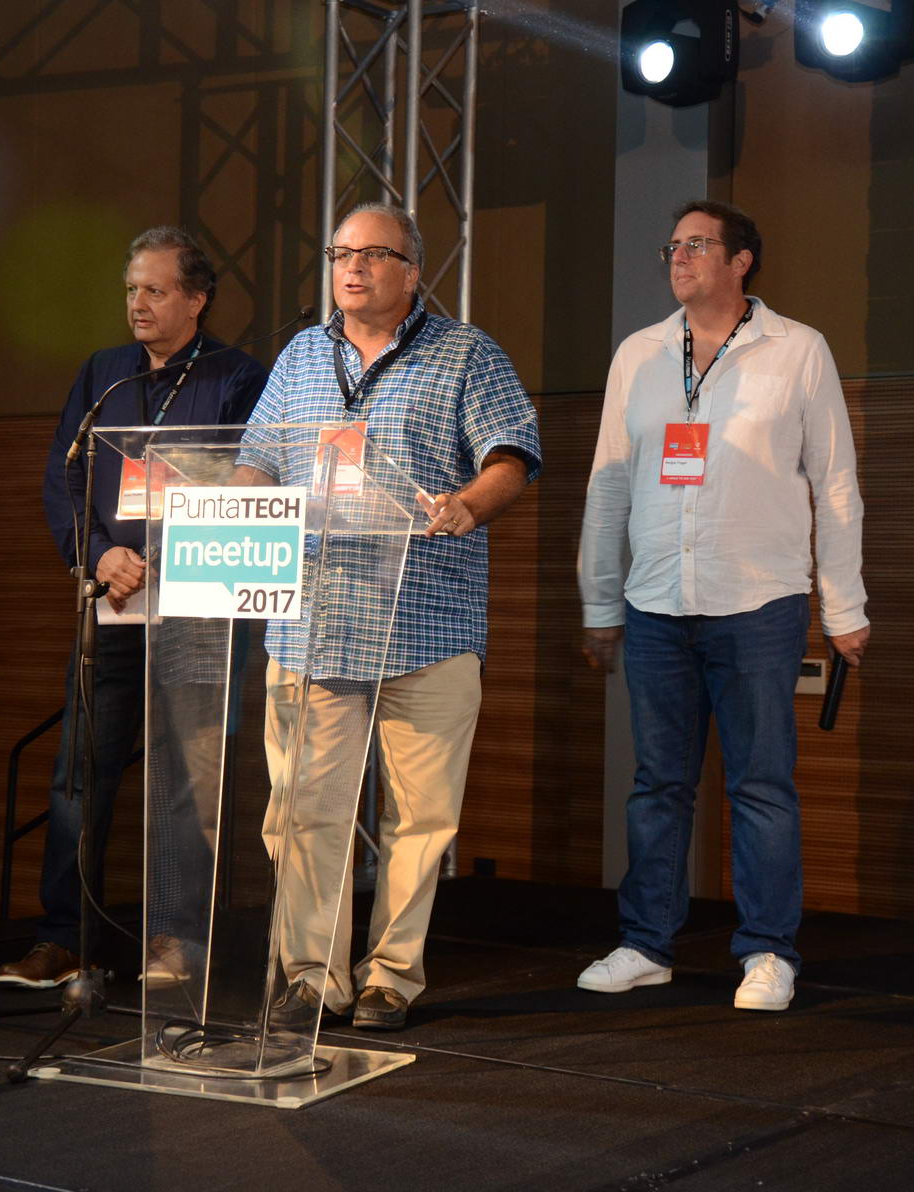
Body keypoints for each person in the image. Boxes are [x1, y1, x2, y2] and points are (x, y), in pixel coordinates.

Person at [233, 202, 540, 1030]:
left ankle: (389, 979)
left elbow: (512, 452)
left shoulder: (466, 352)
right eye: (340, 253)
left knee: (421, 818)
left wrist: (469, 506)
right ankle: (313, 978)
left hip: (426, 620)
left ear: (414, 271)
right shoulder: (300, 355)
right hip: (314, 619)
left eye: (373, 254)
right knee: (302, 810)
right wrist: (230, 507)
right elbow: (258, 457)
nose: (353, 268)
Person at [576, 199, 870, 1012]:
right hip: (657, 602)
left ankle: (769, 951)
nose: (680, 257)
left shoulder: (798, 349)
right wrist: (601, 600)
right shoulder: (638, 354)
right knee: (657, 783)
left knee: (762, 784)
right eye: (672, 245)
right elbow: (608, 484)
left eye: (699, 244)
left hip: (758, 599)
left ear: (744, 261)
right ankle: (646, 944)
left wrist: (844, 603)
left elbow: (835, 483)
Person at [0, 227, 269, 989]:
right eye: (130, 290)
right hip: (112, 598)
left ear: (197, 298)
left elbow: (252, 482)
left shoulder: (240, 377)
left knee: (189, 778)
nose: (137, 304)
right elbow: (65, 474)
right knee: (80, 773)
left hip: (197, 605)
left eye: (153, 290)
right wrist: (97, 555)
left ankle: (179, 939)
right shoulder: (104, 376)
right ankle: (63, 937)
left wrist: (168, 557)